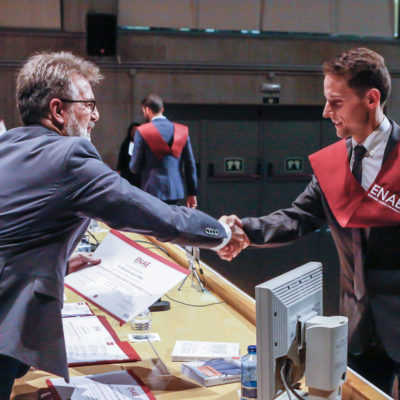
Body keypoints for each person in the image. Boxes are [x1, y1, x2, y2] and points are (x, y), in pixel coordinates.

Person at [0, 51, 247, 399]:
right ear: (58, 110)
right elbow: (158, 217)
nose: (96, 115)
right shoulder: (71, 157)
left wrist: (53, 264)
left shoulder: (6, 145)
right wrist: (221, 234)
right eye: (88, 104)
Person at [218, 47, 400, 397]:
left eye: (335, 102)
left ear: (371, 99)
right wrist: (245, 230)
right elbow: (298, 216)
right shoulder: (334, 163)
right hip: (358, 324)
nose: (325, 112)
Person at [129, 94, 198, 208]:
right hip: (175, 190)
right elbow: (190, 164)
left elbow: (134, 167)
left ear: (146, 110)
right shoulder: (182, 130)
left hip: (151, 189)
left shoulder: (142, 131)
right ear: (162, 109)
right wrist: (192, 192)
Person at [116, 121, 140, 186]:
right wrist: (119, 170)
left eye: (136, 130)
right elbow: (121, 159)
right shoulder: (125, 144)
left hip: (139, 175)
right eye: (133, 130)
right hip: (127, 174)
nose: (134, 132)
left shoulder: (142, 145)